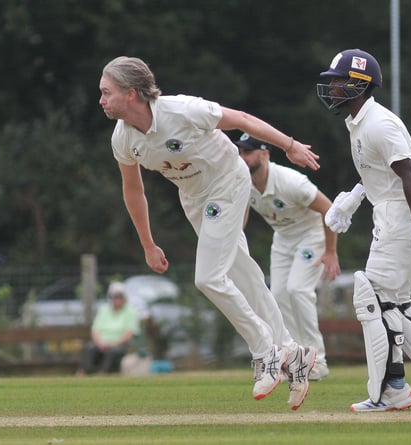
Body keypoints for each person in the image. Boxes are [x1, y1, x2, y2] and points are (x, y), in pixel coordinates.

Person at [98, 56, 318, 410]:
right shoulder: (123, 139)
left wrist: (289, 145)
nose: (101, 100)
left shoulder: (183, 110)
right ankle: (293, 352)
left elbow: (242, 120)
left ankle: (266, 351)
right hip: (194, 198)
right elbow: (133, 190)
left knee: (208, 278)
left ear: (132, 93)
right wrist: (148, 243)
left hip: (227, 183)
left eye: (107, 92)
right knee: (243, 274)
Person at [316, 48, 411, 412]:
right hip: (393, 210)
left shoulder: (380, 124)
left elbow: (408, 174)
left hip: (405, 211)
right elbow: (377, 172)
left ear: (359, 84)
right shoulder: (358, 122)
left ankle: (392, 390)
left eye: (339, 81)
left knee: (373, 297)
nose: (333, 87)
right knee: (395, 302)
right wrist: (352, 199)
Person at [236, 132, 341, 381]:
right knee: (279, 296)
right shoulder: (244, 182)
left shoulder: (291, 182)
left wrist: (331, 251)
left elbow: (329, 209)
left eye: (247, 152)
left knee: (298, 290)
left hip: (312, 235)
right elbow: (241, 217)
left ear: (264, 153)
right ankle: (295, 359)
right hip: (282, 239)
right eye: (240, 152)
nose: (242, 157)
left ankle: (318, 361)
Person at [77, 282, 140, 375]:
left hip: (120, 344)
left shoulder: (131, 311)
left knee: (112, 352)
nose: (117, 299)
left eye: (119, 297)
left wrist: (114, 344)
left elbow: (129, 333)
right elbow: (95, 330)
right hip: (101, 344)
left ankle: (103, 374)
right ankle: (84, 372)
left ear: (124, 298)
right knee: (90, 348)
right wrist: (100, 343)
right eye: (114, 297)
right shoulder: (104, 310)